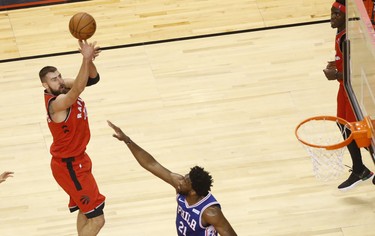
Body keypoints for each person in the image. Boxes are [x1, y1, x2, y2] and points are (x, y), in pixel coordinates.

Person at [107, 120, 237, 236]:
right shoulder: (181, 186)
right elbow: (151, 164)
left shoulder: (210, 213)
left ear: (193, 192)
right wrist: (127, 140)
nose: (180, 181)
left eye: (185, 181)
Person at [39, 40, 105, 236]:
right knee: (98, 219)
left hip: (79, 160)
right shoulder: (56, 103)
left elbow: (92, 79)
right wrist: (84, 59)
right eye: (53, 79)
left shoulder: (62, 87)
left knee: (86, 212)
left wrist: (89, 60)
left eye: (59, 76)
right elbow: (77, 90)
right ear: (45, 84)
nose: (59, 81)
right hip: (69, 166)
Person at [323, 0, 373, 191]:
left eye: (337, 15)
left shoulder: (347, 38)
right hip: (343, 87)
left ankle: (363, 168)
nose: (332, 18)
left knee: (359, 130)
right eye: (331, 13)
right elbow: (346, 61)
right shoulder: (340, 33)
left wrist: (336, 74)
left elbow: (359, 69)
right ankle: (360, 169)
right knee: (343, 125)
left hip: (352, 87)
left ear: (345, 17)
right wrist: (337, 65)